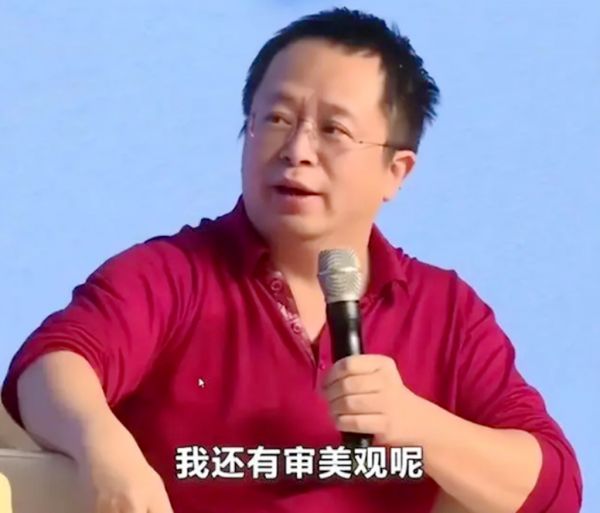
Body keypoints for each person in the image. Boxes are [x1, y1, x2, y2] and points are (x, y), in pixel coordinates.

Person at [1, 8, 582, 513]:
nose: (297, 150)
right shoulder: (171, 274)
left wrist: (417, 423)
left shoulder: (446, 312)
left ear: (395, 171)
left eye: (333, 130)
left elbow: (554, 484)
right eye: (277, 119)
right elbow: (52, 366)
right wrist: (104, 447)